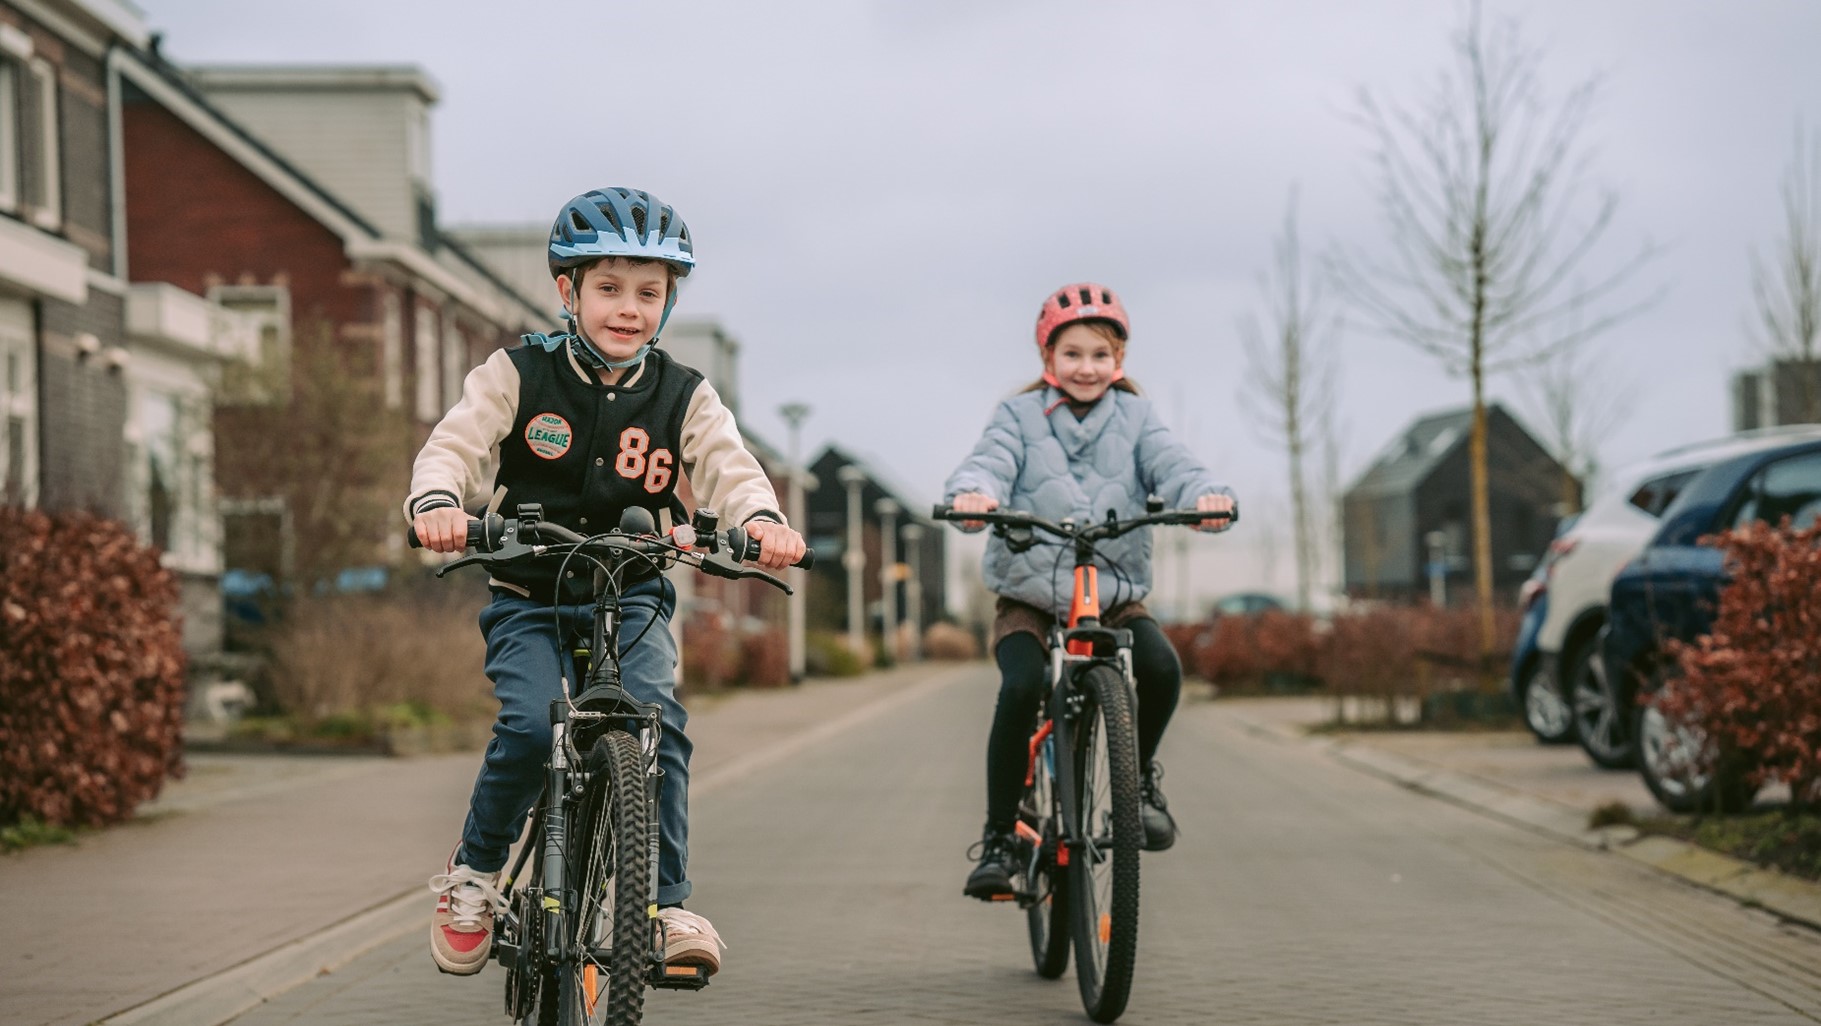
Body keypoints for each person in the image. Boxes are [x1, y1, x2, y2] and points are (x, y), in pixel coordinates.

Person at [407, 187, 806, 976]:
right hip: (532, 594)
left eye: (649, 293)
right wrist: (439, 502)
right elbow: (454, 445)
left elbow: (729, 467)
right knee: (528, 726)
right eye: (609, 288)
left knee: (658, 725)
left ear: (667, 302)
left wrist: (759, 522)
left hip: (633, 596)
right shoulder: (514, 374)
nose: (629, 309)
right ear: (569, 292)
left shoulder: (683, 392)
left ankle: (665, 906)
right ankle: (477, 875)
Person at [943, 282, 1236, 900]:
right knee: (1021, 686)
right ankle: (1000, 838)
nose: (1086, 367)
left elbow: (1175, 464)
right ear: (1047, 359)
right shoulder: (1017, 417)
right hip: (1030, 592)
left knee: (1160, 666)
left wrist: (1204, 496)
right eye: (1072, 353)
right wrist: (974, 496)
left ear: (1120, 361)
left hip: (1112, 590)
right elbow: (988, 463)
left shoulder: (1137, 417)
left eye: (1100, 355)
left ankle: (1140, 781)